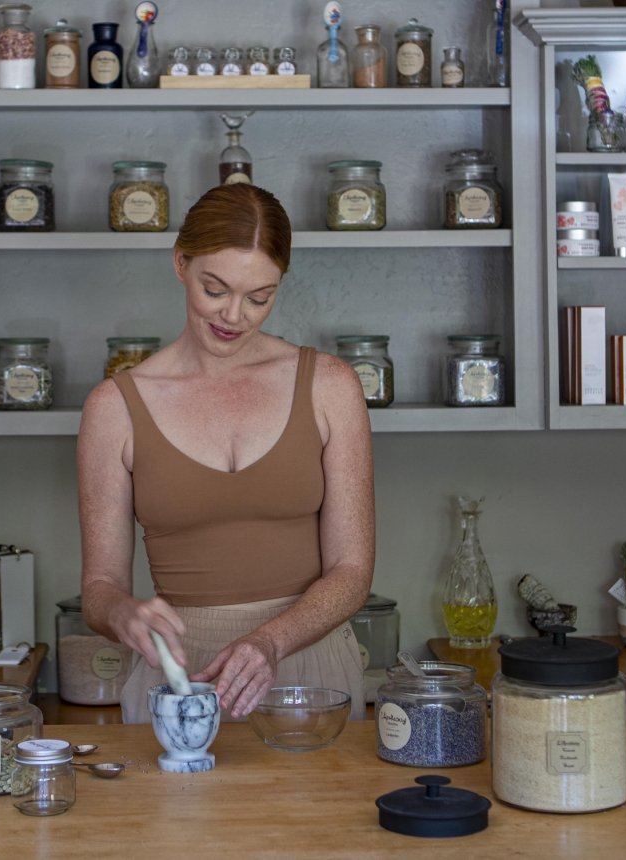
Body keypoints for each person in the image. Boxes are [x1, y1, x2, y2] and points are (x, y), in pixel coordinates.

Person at [76, 183, 375, 724]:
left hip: (311, 674)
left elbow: (352, 572)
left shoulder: (330, 386)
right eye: (215, 289)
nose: (234, 315)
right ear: (180, 264)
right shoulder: (113, 407)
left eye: (259, 297)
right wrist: (123, 614)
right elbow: (99, 590)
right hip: (181, 679)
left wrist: (271, 643)